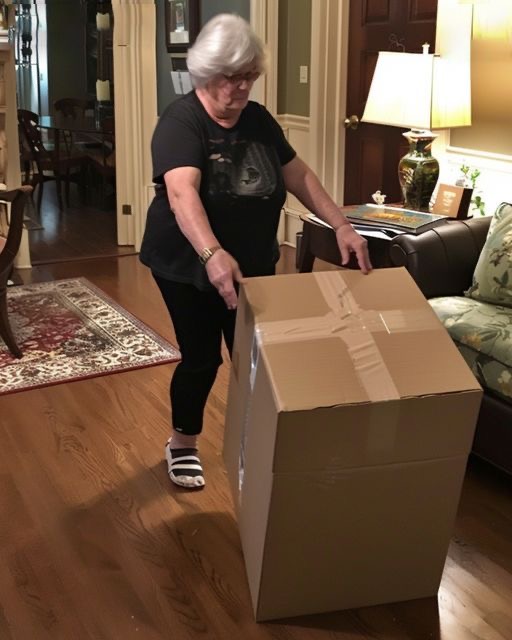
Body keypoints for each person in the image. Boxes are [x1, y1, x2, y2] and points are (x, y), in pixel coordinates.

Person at [139, 13, 372, 490]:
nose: (242, 87)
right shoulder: (181, 121)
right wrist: (212, 254)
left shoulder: (259, 119)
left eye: (250, 76)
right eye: (232, 76)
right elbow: (182, 194)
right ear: (207, 73)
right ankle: (182, 443)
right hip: (186, 264)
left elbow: (298, 175)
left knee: (255, 358)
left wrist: (342, 225)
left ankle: (257, 440)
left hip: (253, 262)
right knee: (202, 358)